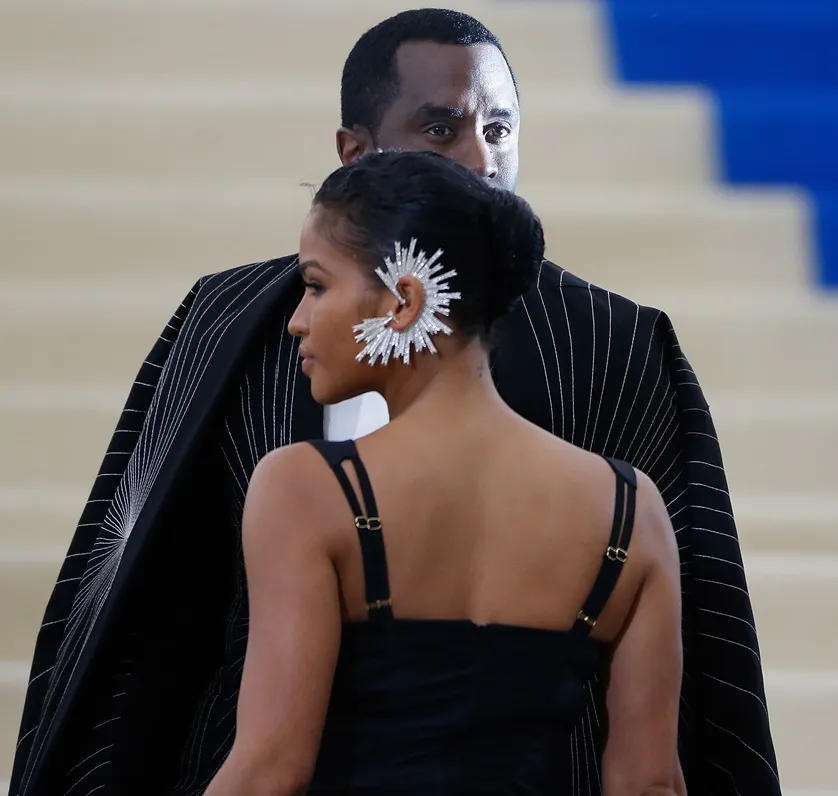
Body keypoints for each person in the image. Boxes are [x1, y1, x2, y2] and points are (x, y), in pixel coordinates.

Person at [10, 10, 778, 796]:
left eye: (502, 127)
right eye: (442, 129)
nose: (482, 159)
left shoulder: (614, 341)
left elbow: (701, 651)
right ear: (355, 150)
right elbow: (146, 591)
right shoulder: (230, 319)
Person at [201, 148, 684, 795]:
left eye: (316, 285)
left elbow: (269, 771)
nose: (297, 319)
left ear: (405, 301)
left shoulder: (305, 491)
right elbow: (649, 783)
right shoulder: (630, 507)